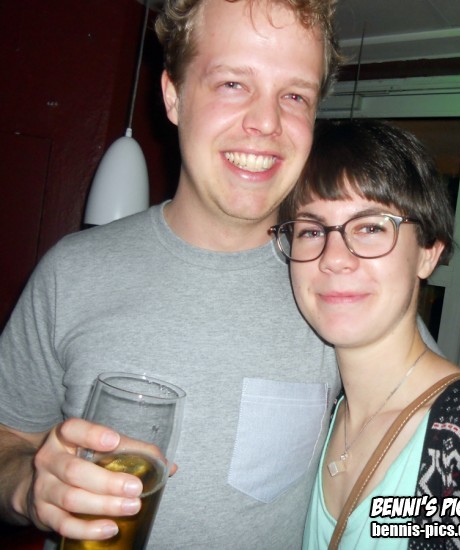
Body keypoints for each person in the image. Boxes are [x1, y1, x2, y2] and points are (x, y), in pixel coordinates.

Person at [0, 1, 343, 548]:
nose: (266, 122)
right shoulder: (70, 272)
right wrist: (27, 485)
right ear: (173, 95)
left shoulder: (340, 285)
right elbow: (8, 439)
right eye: (233, 83)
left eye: (295, 95)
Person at [270, 119, 460, 549]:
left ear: (429, 253)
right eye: (311, 230)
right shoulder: (322, 420)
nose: (334, 258)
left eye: (370, 227)